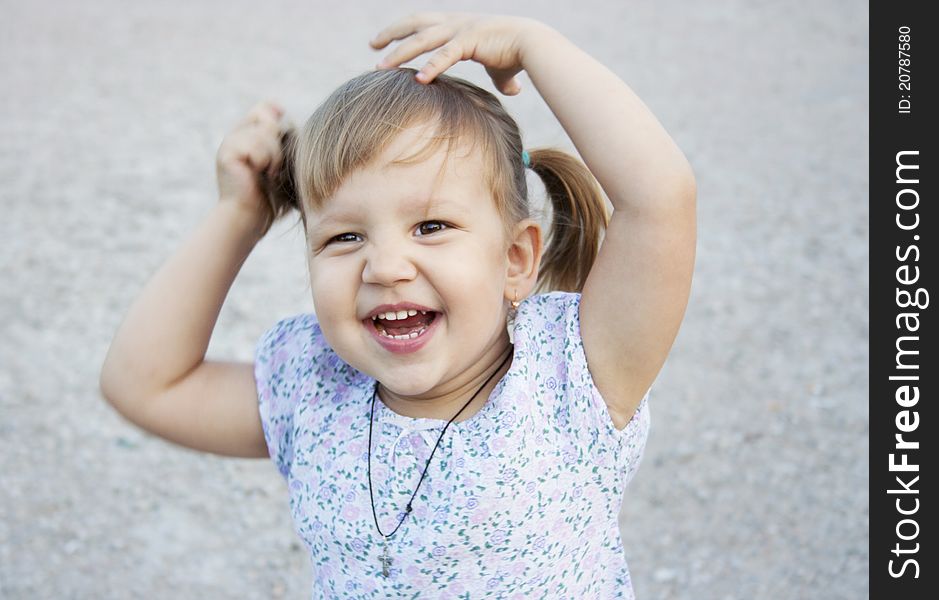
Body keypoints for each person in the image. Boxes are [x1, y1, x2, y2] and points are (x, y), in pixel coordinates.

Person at [99, 11, 696, 599]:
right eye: (344, 237)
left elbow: (660, 199)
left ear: (514, 259)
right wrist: (239, 215)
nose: (384, 267)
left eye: (431, 226)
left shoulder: (575, 373)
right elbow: (146, 385)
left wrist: (533, 44)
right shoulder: (315, 387)